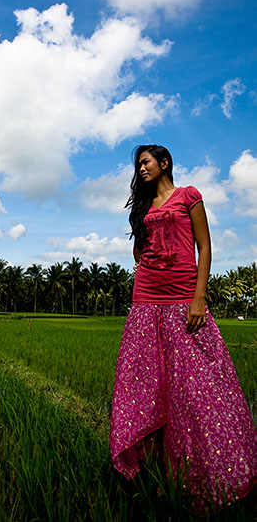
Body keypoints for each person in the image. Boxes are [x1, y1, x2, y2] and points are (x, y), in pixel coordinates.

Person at [110, 144, 257, 512]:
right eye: (137, 165)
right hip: (146, 298)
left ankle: (207, 474)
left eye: (145, 162)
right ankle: (158, 472)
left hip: (182, 296)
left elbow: (205, 248)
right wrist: (143, 267)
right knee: (150, 383)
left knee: (195, 387)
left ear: (164, 163)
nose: (140, 169)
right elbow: (139, 250)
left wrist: (199, 297)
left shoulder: (189, 196)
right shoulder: (145, 209)